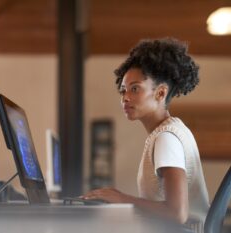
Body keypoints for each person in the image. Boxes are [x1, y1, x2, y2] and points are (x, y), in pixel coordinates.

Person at [82, 38, 209, 232]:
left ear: (160, 93)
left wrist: (121, 198)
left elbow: (177, 213)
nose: (125, 97)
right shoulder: (167, 132)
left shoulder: (166, 138)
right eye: (123, 90)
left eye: (135, 89)